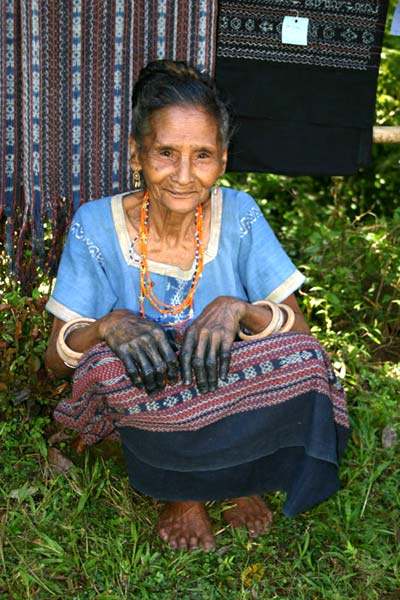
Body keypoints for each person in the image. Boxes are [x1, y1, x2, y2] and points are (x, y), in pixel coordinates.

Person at [45, 60, 349, 552]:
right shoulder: (95, 223)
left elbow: (299, 331)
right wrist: (108, 325)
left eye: (202, 155)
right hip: (150, 396)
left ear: (223, 159)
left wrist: (238, 310)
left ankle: (240, 476)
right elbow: (56, 360)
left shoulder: (240, 214)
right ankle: (182, 494)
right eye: (166, 152)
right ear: (136, 154)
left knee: (305, 359)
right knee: (103, 363)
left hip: (222, 388)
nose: (184, 175)